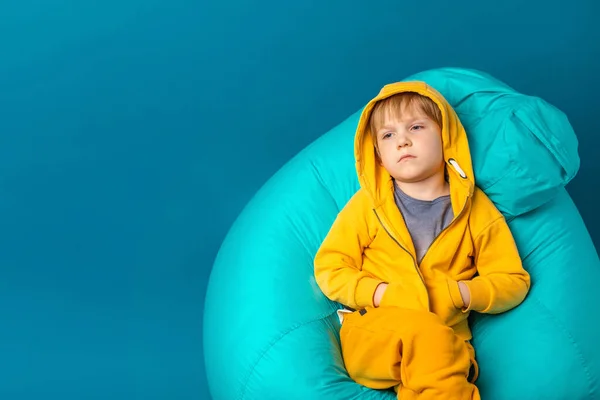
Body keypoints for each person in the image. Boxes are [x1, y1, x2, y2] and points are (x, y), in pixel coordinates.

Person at [313, 81, 531, 399]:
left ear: (445, 136)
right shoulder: (368, 205)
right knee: (430, 346)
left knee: (444, 367)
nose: (402, 141)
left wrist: (460, 293)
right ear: (377, 153)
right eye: (388, 135)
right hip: (376, 333)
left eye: (416, 127)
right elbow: (331, 266)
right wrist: (380, 294)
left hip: (448, 344)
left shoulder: (474, 210)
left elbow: (513, 281)